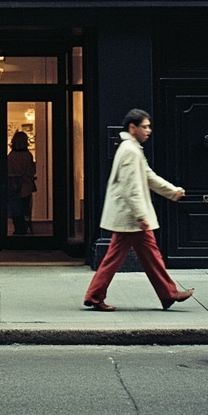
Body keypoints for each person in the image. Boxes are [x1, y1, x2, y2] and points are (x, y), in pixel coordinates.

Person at [83, 108, 194, 312]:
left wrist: (172, 191)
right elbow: (130, 187)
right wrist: (141, 215)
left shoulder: (131, 148)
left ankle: (95, 295)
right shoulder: (130, 150)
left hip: (128, 217)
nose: (149, 130)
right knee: (150, 255)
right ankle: (169, 293)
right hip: (132, 218)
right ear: (132, 128)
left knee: (120, 257)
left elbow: (148, 176)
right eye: (145, 126)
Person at [7, 130, 36, 235]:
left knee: (15, 211)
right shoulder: (28, 155)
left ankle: (18, 230)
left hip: (13, 187)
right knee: (25, 211)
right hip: (25, 187)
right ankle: (25, 229)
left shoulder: (11, 156)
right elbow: (31, 172)